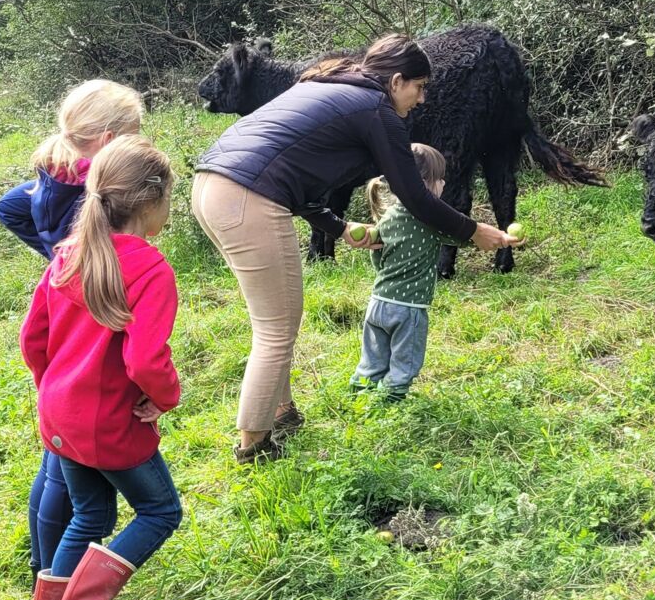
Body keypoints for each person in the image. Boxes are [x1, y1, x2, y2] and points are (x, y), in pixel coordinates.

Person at [191, 34, 519, 462]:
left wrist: (339, 226)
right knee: (276, 330)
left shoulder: (328, 84)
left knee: (273, 321)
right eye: (419, 87)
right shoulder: (376, 108)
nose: (422, 99)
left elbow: (293, 172)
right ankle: (254, 446)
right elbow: (415, 196)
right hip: (247, 196)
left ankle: (282, 412)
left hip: (212, 185)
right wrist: (474, 231)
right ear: (397, 81)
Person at [21, 137, 183, 600]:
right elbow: (145, 361)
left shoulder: (68, 253)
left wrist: (56, 390)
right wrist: (166, 396)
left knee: (90, 514)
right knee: (160, 511)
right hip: (110, 423)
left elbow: (32, 338)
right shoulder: (150, 269)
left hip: (61, 415)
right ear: (151, 202)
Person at [0, 80, 149, 580]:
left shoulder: (55, 171)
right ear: (109, 140)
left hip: (60, 339)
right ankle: (52, 574)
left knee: (56, 462)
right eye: (136, 132)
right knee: (62, 474)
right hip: (87, 337)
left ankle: (44, 568)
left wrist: (56, 256)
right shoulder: (92, 186)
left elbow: (10, 205)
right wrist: (71, 256)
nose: (141, 140)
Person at [349, 143, 451, 401]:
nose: (443, 183)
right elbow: (462, 235)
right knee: (405, 362)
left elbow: (377, 255)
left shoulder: (388, 216)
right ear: (423, 184)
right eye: (439, 178)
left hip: (378, 302)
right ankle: (392, 401)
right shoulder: (430, 220)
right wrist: (496, 238)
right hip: (409, 308)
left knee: (373, 358)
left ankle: (360, 397)